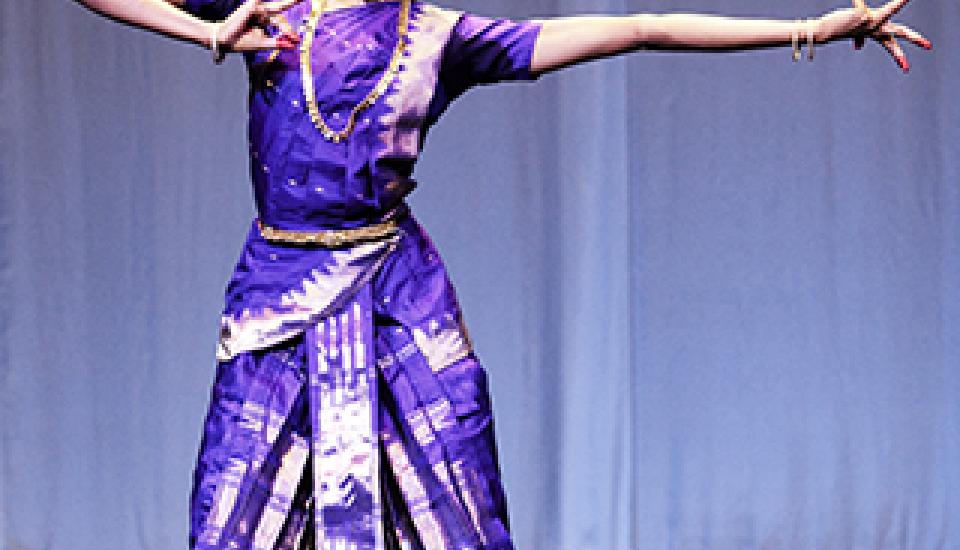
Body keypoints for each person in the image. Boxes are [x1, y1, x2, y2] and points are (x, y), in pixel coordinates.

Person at [72, 0, 930, 548]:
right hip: (277, 304)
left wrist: (813, 28)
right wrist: (208, 32)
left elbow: (640, 28)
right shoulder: (270, 12)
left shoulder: (439, 38)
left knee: (454, 507)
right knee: (238, 517)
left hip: (397, 305)